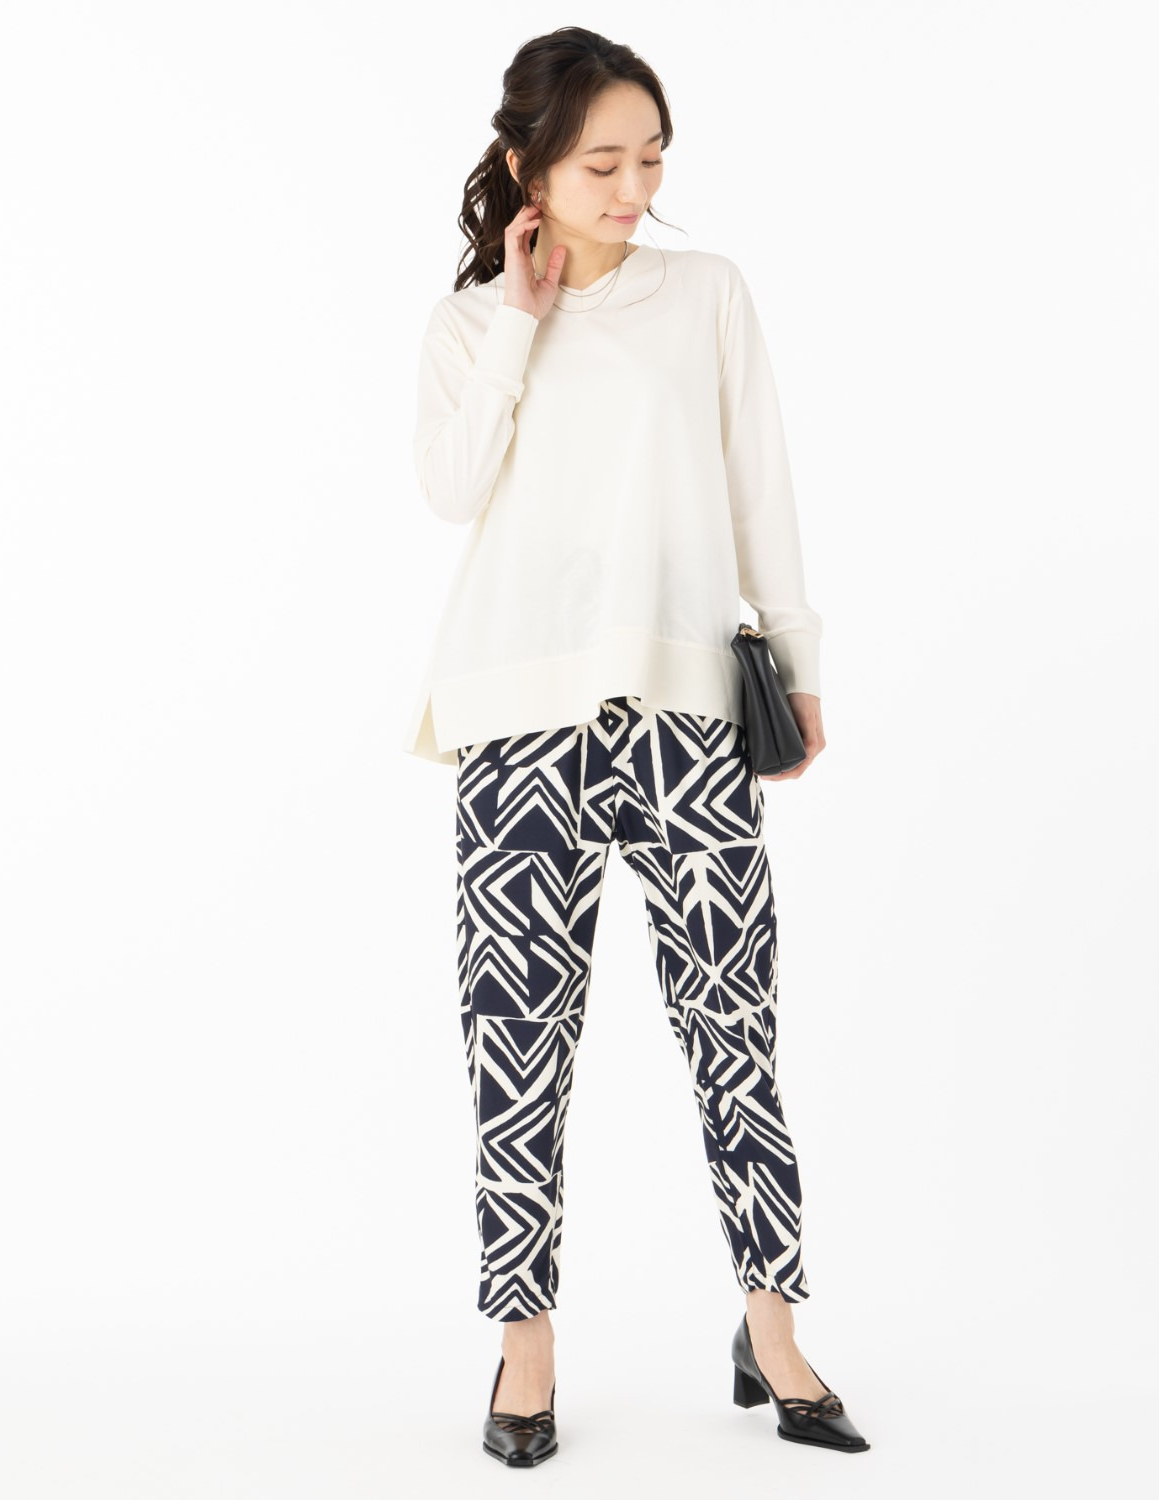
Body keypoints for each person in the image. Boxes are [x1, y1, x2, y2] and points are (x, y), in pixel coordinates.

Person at [403, 27, 869, 1465]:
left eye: (651, 159)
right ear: (528, 166)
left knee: (737, 1028)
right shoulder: (471, 321)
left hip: (686, 718)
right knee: (517, 1045)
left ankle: (772, 1327)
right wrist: (522, 316)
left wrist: (794, 663)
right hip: (518, 721)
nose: (632, 188)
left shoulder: (707, 295)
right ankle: (525, 1345)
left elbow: (761, 485)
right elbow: (450, 488)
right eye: (602, 161)